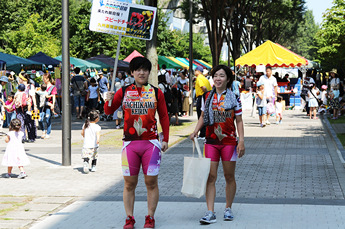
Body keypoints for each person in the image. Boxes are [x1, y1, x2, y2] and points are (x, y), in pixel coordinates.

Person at [104, 57, 169, 229]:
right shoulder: (123, 91)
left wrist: (166, 139)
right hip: (130, 145)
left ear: (149, 72)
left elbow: (163, 116)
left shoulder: (156, 92)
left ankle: (150, 217)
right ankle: (129, 218)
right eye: (138, 70)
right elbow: (109, 111)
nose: (141, 72)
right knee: (129, 183)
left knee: (151, 183)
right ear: (132, 72)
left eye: (145, 70)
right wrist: (108, 99)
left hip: (151, 145)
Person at [189, 65, 245, 225]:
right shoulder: (207, 97)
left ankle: (228, 208)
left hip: (229, 143)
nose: (218, 79)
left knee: (229, 176)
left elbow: (239, 121)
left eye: (221, 76)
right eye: (215, 76)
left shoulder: (235, 97)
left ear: (228, 79)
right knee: (210, 177)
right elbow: (202, 116)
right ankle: (210, 212)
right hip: (211, 142)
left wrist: (241, 141)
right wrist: (195, 132)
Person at [195, 65, 212, 139]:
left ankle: (202, 133)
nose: (194, 72)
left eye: (195, 70)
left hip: (202, 96)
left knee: (200, 115)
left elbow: (204, 87)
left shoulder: (199, 78)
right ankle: (205, 132)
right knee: (205, 115)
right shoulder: (205, 78)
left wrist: (205, 95)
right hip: (206, 96)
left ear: (198, 72)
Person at [39, 73, 57, 139]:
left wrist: (53, 105)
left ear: (48, 79)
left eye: (44, 79)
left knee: (47, 118)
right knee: (40, 119)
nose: (43, 80)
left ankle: (48, 133)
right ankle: (43, 130)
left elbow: (54, 96)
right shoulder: (42, 86)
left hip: (48, 105)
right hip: (42, 105)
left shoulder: (52, 87)